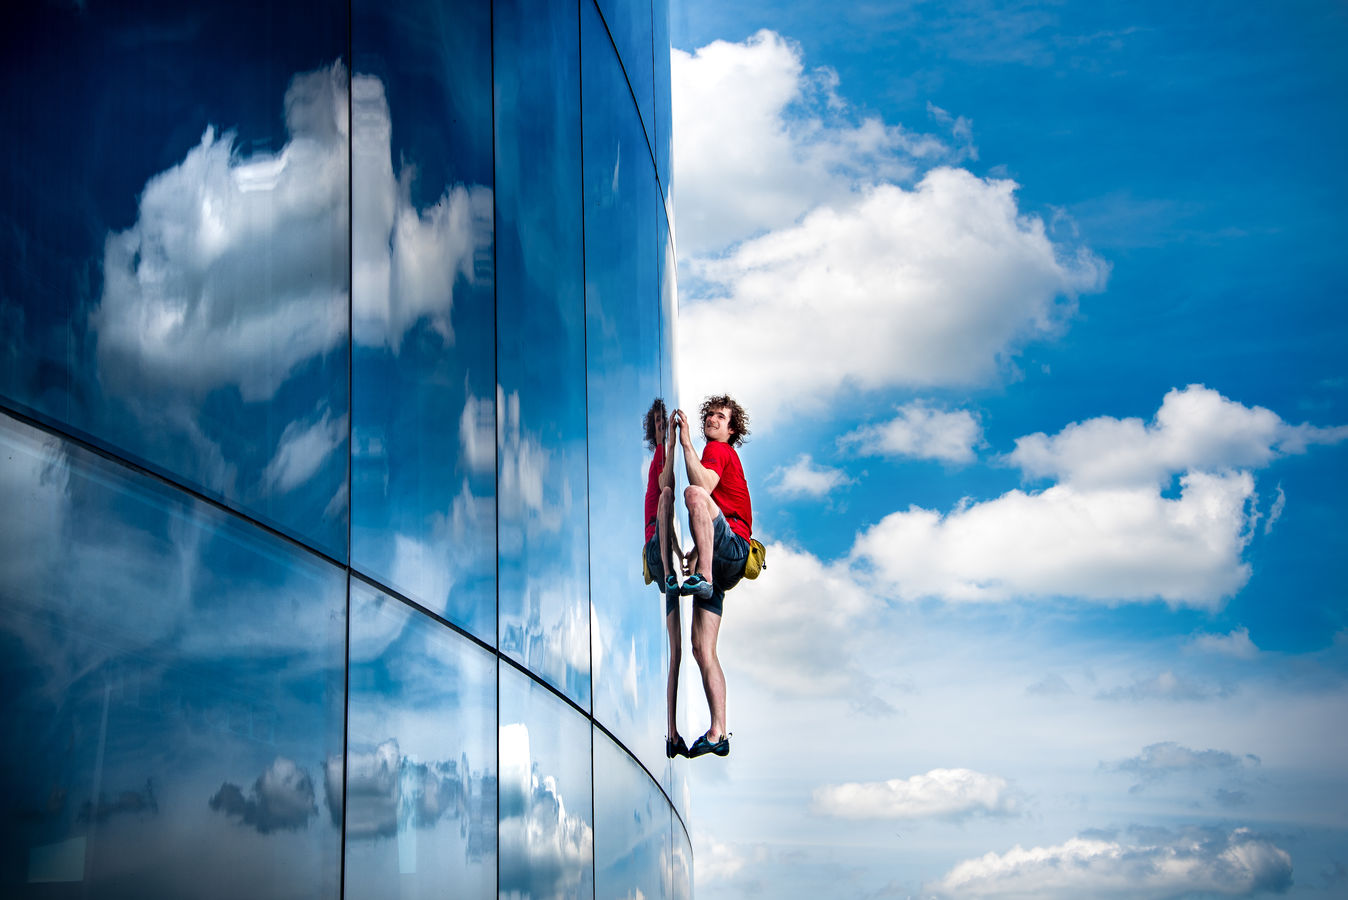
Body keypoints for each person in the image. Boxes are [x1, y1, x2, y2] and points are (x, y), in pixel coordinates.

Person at [673, 394, 752, 759]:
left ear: (732, 429)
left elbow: (701, 488)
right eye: (710, 416)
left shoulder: (720, 451)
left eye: (721, 418)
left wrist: (686, 440)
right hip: (726, 563)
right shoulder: (715, 453)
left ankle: (703, 574)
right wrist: (694, 552)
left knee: (691, 493)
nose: (713, 421)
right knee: (702, 649)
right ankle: (718, 732)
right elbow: (710, 511)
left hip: (732, 549)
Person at [642, 398, 686, 759]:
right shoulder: (660, 455)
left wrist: (680, 552)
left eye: (664, 423)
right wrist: (670, 444)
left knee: (678, 652)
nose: (661, 427)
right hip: (656, 557)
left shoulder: (662, 451)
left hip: (664, 551)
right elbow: (664, 484)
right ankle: (671, 576)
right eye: (657, 423)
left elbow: (666, 522)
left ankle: (671, 734)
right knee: (670, 491)